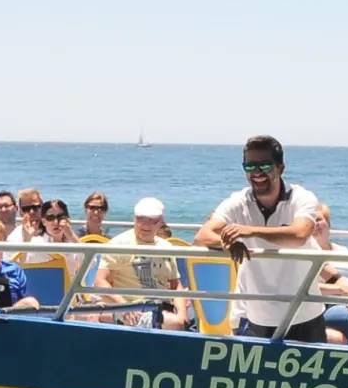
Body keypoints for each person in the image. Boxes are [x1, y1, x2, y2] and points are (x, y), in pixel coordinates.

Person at [195, 135, 325, 341]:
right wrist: (229, 243)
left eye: (264, 165)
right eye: (249, 167)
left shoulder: (302, 197)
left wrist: (250, 231)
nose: (256, 173)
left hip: (305, 313)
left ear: (280, 168)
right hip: (256, 314)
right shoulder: (238, 201)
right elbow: (202, 236)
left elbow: (299, 235)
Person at [97, 197, 190, 329]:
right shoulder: (120, 244)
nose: (146, 225)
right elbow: (100, 281)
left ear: (161, 222)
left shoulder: (166, 246)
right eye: (141, 219)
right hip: (133, 307)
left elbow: (175, 285)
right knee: (173, 323)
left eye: (152, 221)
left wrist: (182, 313)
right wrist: (124, 306)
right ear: (134, 219)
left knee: (189, 319)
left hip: (163, 306)